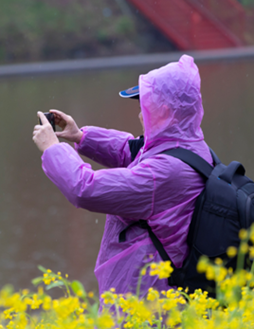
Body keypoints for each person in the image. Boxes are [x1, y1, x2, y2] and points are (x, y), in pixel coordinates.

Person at [32, 55, 212, 300]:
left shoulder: (162, 173)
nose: (140, 115)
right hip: (154, 290)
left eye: (144, 107)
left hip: (145, 301)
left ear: (165, 112)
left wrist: (52, 148)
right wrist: (81, 137)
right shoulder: (191, 146)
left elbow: (85, 189)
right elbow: (133, 150)